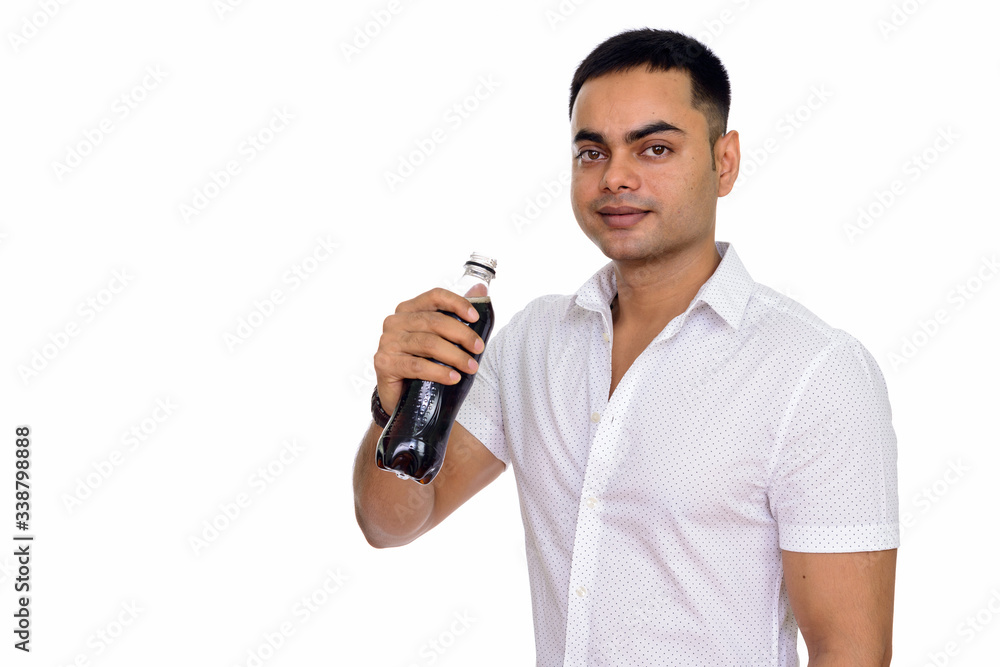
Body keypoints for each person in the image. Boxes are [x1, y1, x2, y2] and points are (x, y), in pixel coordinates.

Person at [353, 28, 898, 666]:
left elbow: (850, 651)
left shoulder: (815, 371)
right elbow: (390, 523)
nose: (616, 177)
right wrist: (401, 403)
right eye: (592, 153)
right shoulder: (530, 345)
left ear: (725, 162)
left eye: (655, 148)